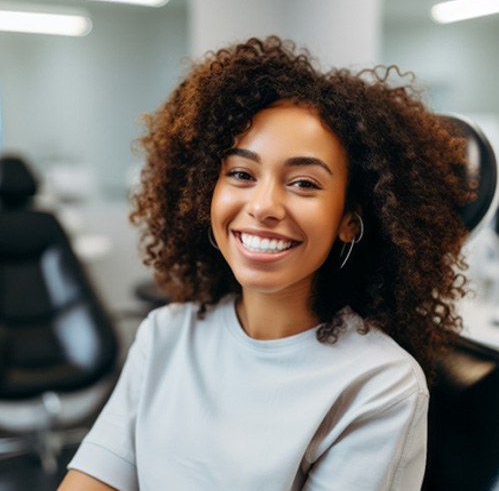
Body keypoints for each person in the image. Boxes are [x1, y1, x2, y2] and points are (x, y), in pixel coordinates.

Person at [58, 36, 473, 490]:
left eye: (303, 183)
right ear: (205, 191)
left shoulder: (378, 385)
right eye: (241, 174)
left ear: (349, 221)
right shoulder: (164, 336)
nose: (263, 205)